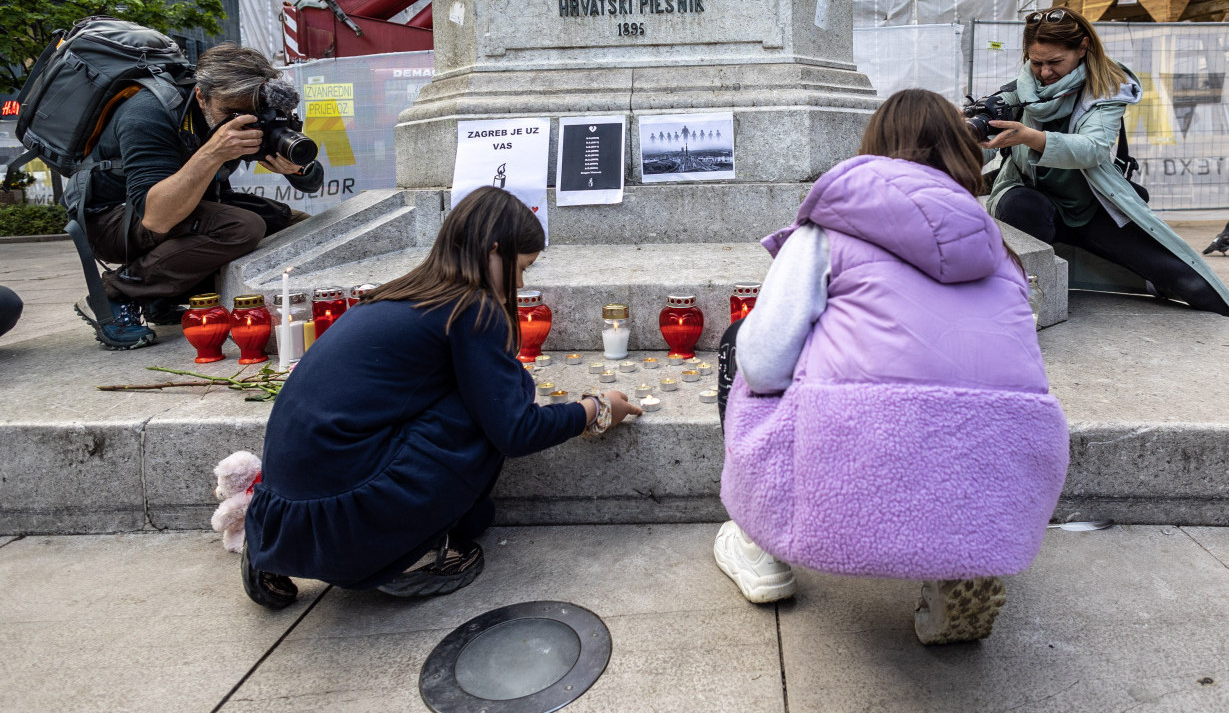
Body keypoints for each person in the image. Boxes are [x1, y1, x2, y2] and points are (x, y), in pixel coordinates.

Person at [714, 90, 1070, 645]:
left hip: (861, 445)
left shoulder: (824, 234)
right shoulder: (1001, 253)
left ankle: (760, 546)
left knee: (741, 345)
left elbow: (763, 365)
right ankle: (956, 561)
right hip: (996, 461)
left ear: (874, 148)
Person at [241, 187, 643, 609]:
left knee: (485, 414)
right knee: (488, 405)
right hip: (350, 509)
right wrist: (596, 409)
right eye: (522, 267)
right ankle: (405, 556)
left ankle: (280, 551)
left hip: (284, 505)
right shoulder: (470, 308)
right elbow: (515, 430)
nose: (521, 283)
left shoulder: (397, 295)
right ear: (494, 250)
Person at [983, 6, 1229, 324]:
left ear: (1082, 47)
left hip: (1090, 205)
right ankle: (1022, 304)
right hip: (1032, 201)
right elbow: (980, 144)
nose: (1044, 73)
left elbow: (1092, 149)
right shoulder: (1018, 91)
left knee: (1174, 268)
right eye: (1036, 62)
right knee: (1021, 206)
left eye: (1055, 62)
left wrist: (1030, 137)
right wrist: (960, 139)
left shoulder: (1107, 88)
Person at [76, 43, 323, 350]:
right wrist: (213, 152)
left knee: (301, 229)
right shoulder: (148, 112)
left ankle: (162, 296)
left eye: (251, 113)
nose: (242, 122)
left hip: (193, 204)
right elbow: (156, 217)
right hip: (115, 218)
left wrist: (299, 168)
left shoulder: (260, 106)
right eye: (230, 113)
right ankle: (116, 292)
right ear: (201, 97)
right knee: (240, 228)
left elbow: (312, 180)